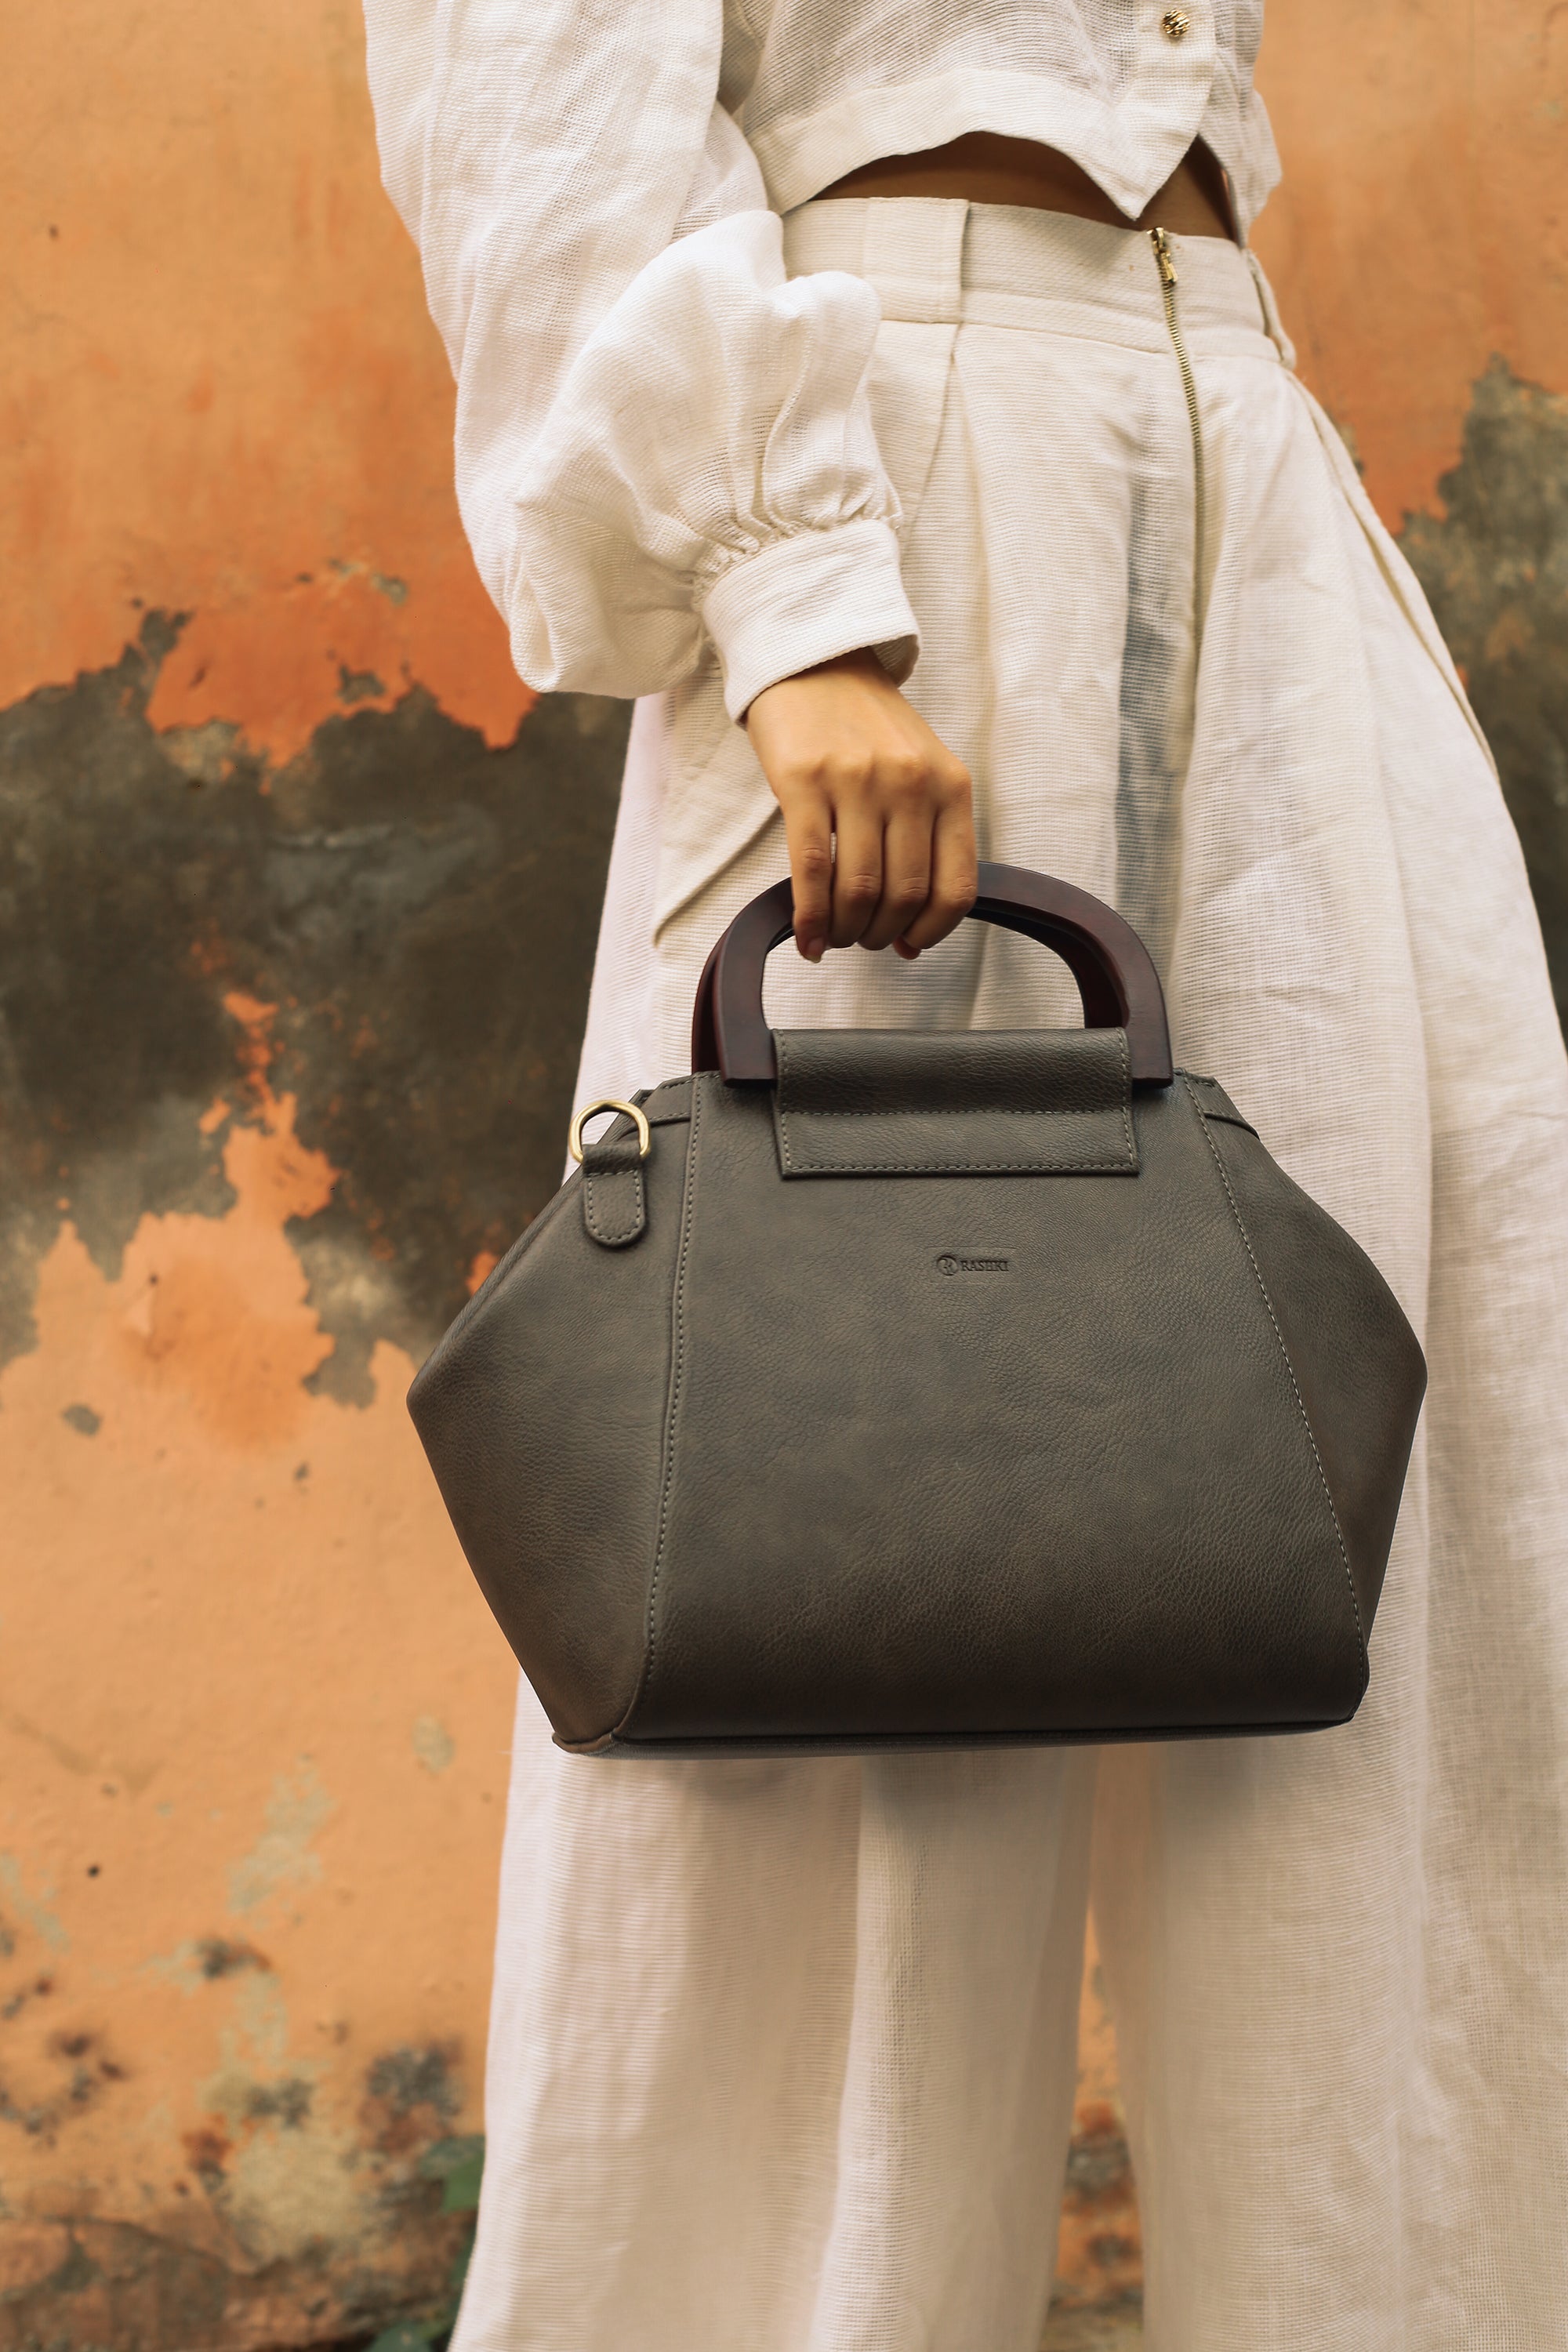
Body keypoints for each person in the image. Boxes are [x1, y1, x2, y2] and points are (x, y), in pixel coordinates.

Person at [361, 5, 1568, 2344]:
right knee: (837, 1563)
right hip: (889, 452)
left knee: (1412, 1545)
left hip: (1250, 439)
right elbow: (531, 56)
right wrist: (789, 593)